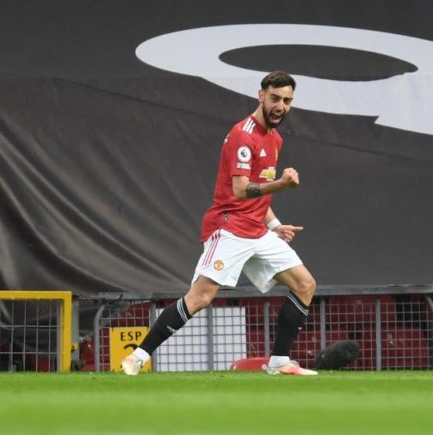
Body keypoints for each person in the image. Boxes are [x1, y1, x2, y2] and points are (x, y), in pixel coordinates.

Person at [122, 71, 317, 376]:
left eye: (287, 101)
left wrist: (274, 224)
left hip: (257, 230)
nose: (281, 106)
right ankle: (138, 356)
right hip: (229, 227)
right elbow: (240, 190)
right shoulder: (243, 135)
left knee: (305, 284)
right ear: (261, 95)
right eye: (275, 98)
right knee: (200, 297)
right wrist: (281, 185)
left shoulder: (274, 138)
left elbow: (259, 190)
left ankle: (279, 362)